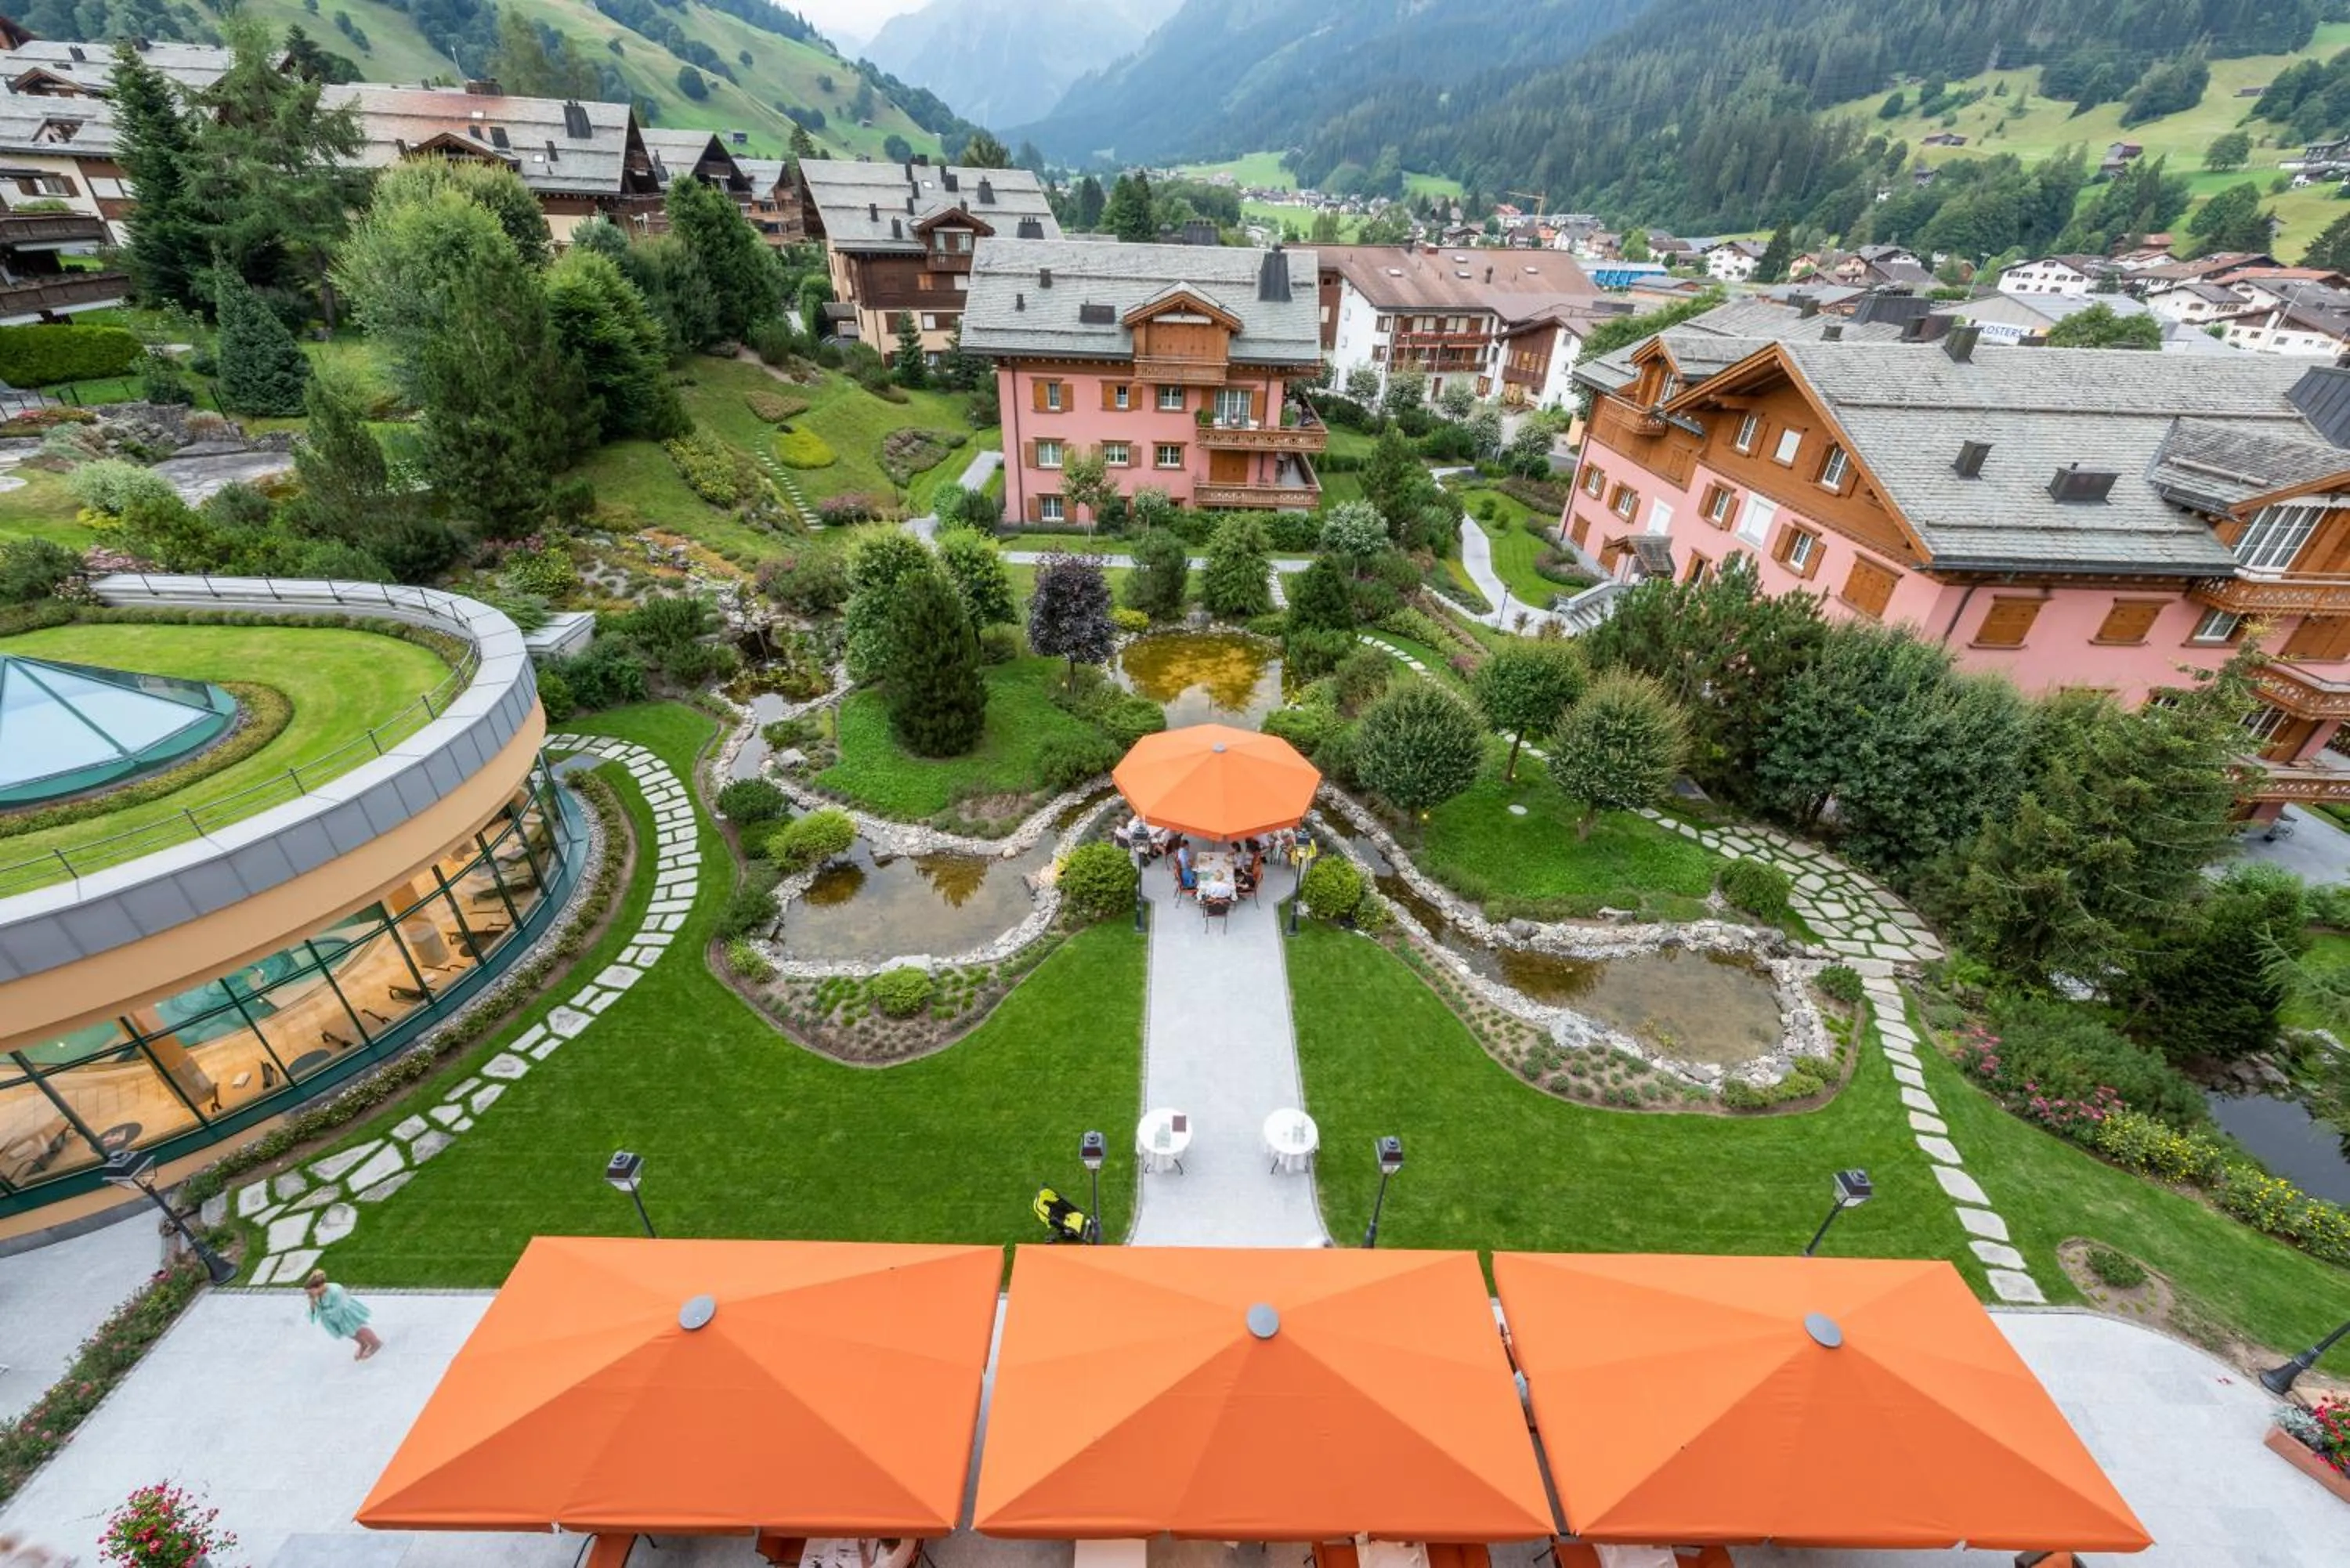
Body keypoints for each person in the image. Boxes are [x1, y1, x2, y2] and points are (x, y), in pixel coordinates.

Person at [305, 1269, 384, 1360]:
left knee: (358, 1328)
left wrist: (329, 1314)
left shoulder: (335, 1290)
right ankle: (363, 1344)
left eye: (311, 1291)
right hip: (333, 1316)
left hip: (345, 1312)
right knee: (348, 1331)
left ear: (320, 1286)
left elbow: (340, 1306)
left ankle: (375, 1343)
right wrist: (313, 1304)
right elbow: (315, 1311)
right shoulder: (315, 1296)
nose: (309, 1294)